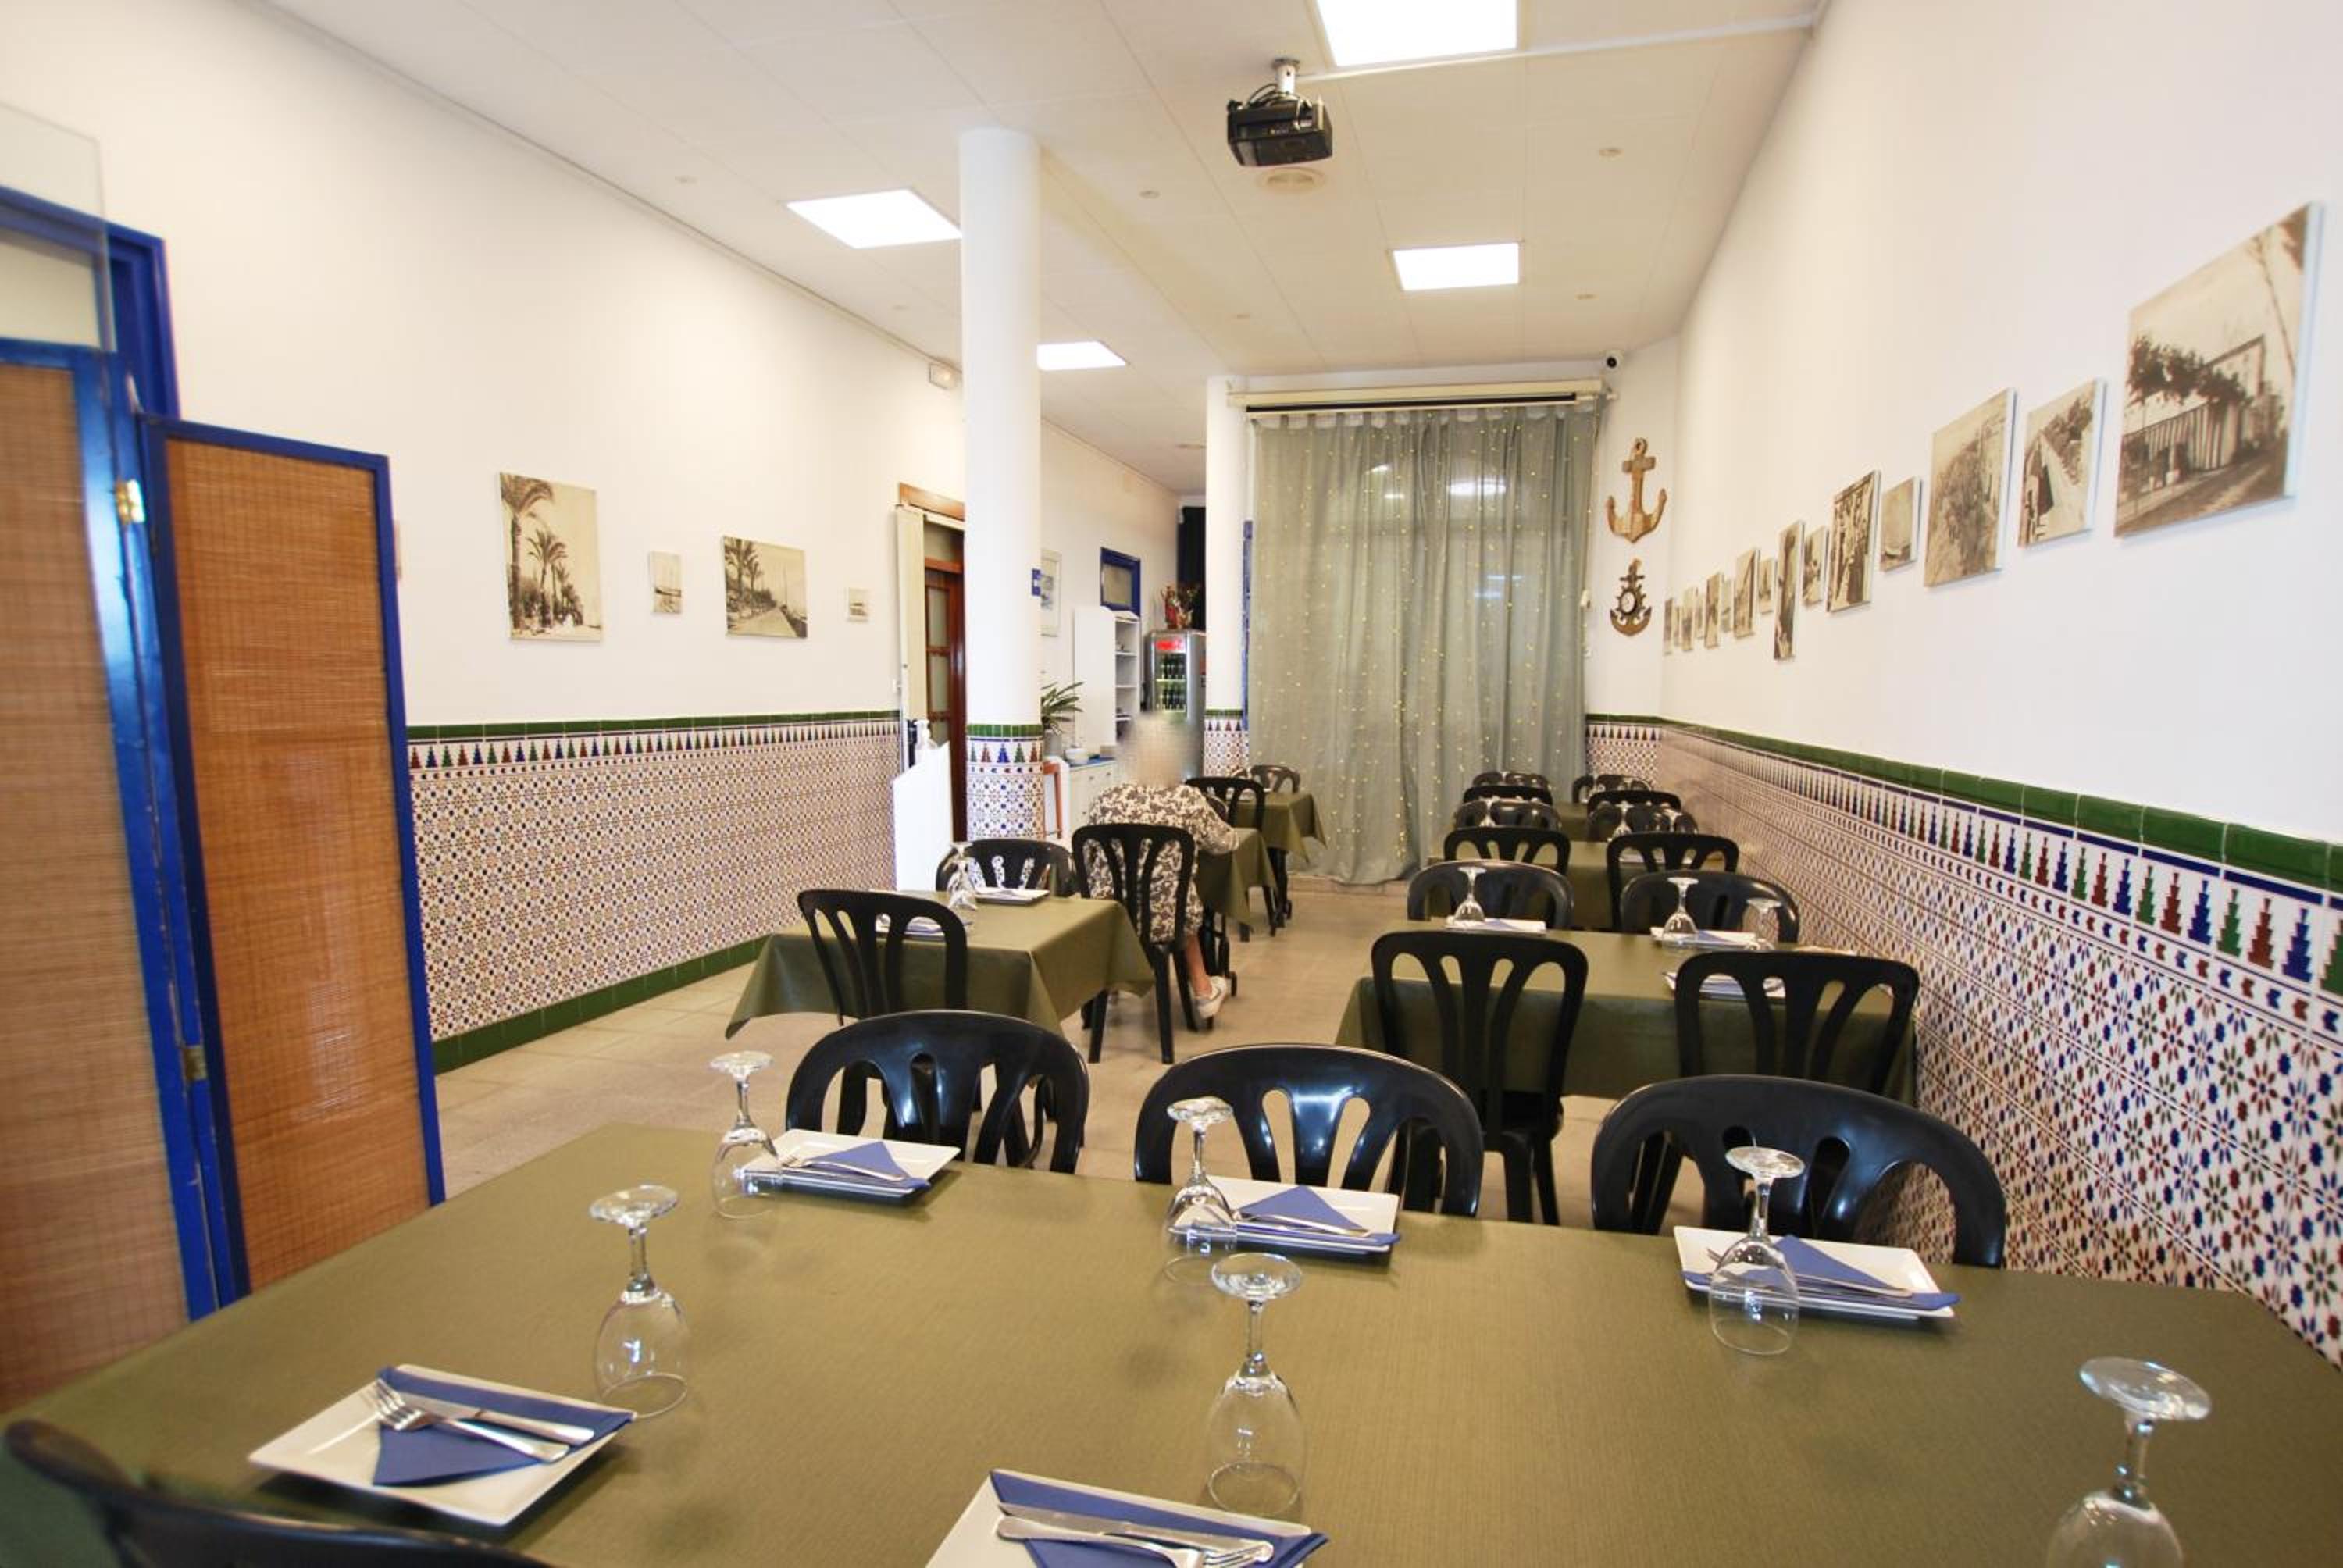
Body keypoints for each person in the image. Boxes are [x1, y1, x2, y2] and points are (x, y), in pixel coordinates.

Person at [1080, 729, 1237, 1021]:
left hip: (1110, 915)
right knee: (1178, 902)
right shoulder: (1188, 799)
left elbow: (1088, 855)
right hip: (1168, 918)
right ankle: (1203, 990)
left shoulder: (1106, 798)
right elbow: (1224, 843)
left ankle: (1110, 981)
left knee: (1146, 901)